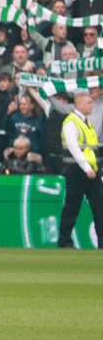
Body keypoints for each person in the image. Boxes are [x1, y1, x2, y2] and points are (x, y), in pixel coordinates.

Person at [58, 91, 103, 249]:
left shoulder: (86, 122)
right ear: (79, 104)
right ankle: (64, 242)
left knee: (100, 206)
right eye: (89, 103)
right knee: (72, 207)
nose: (92, 105)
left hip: (92, 171)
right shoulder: (71, 123)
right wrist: (86, 167)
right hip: (77, 171)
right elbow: (74, 149)